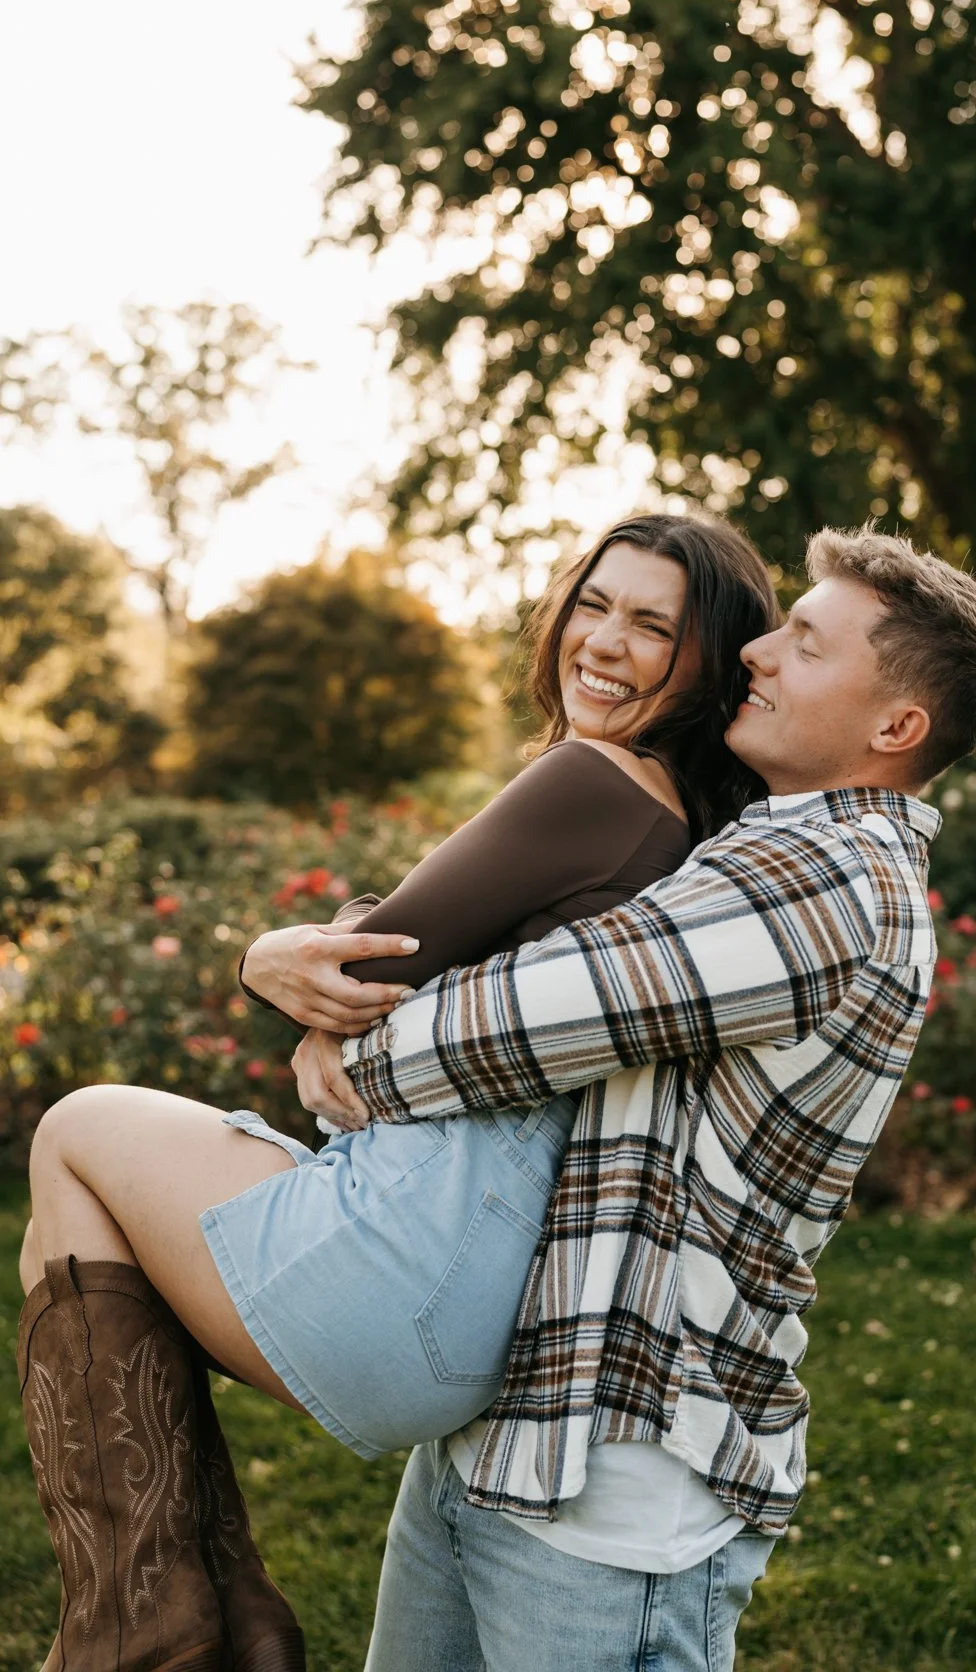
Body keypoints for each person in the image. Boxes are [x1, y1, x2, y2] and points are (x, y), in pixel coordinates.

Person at [16, 512, 778, 1672]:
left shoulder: (592, 781)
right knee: (91, 1184)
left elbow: (358, 958)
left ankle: (170, 1623)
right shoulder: (682, 829)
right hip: (483, 1315)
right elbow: (412, 955)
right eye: (594, 604)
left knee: (73, 1139)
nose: (604, 643)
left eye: (652, 627)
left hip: (399, 1270)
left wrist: (266, 957)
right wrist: (326, 992)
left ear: (705, 666)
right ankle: (201, 1616)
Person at [269, 526, 976, 1672]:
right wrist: (313, 966)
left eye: (804, 642)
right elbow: (521, 956)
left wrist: (340, 1036)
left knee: (90, 1134)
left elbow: (502, 1023)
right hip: (513, 1434)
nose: (757, 651)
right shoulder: (761, 847)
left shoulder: (823, 882)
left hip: (617, 1487)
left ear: (895, 726)